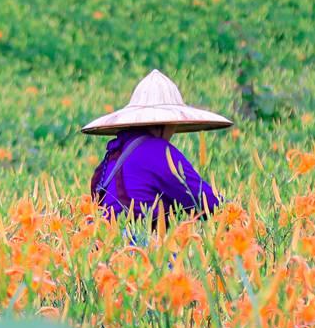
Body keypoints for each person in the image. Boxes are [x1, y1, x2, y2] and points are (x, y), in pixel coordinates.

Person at [84, 69, 228, 220]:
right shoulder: (159, 152)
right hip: (140, 240)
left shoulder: (114, 152)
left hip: (105, 240)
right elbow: (206, 201)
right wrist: (235, 212)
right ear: (166, 123)